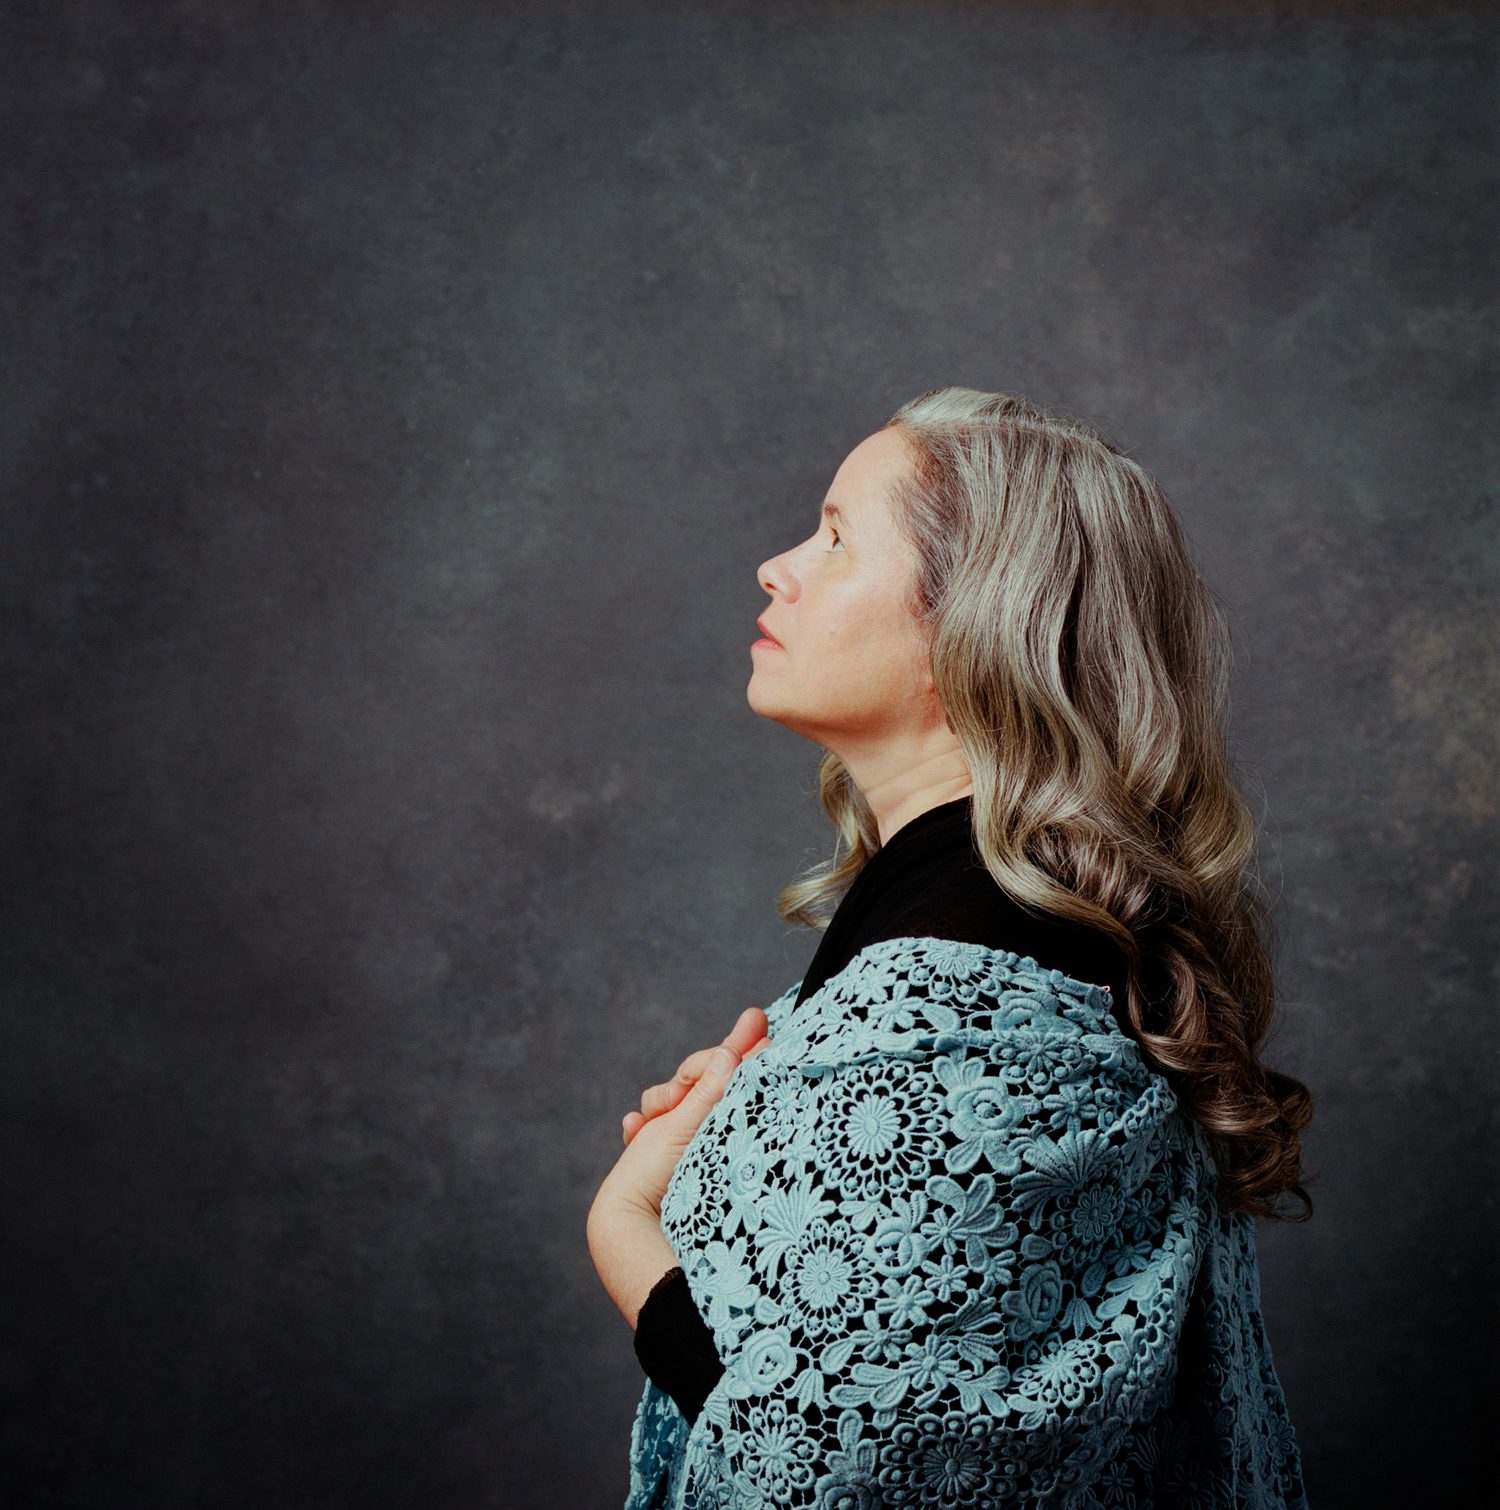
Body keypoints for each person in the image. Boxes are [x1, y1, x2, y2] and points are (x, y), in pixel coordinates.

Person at [587, 387, 1314, 1509]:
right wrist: (732, 1163)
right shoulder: (964, 958)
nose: (777, 566)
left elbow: (819, 1470)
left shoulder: (962, 998)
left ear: (975, 623)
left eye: (836, 538)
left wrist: (629, 1229)